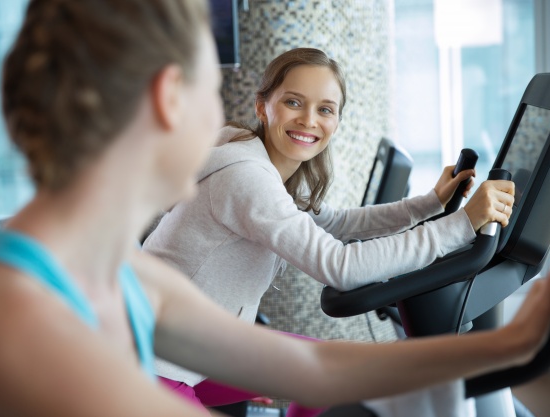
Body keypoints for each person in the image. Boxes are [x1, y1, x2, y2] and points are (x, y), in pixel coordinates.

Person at [0, 1, 550, 417]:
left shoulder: (127, 274)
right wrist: (458, 233)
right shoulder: (16, 321)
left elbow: (313, 366)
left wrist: (517, 343)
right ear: (168, 99)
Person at [141, 47, 519, 414]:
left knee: (329, 383)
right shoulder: (246, 179)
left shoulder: (262, 164)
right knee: (327, 375)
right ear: (262, 106)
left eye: (325, 109)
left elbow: (337, 223)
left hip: (199, 344)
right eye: (293, 102)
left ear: (337, 120)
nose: (309, 120)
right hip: (152, 360)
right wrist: (462, 225)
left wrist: (430, 204)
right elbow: (341, 266)